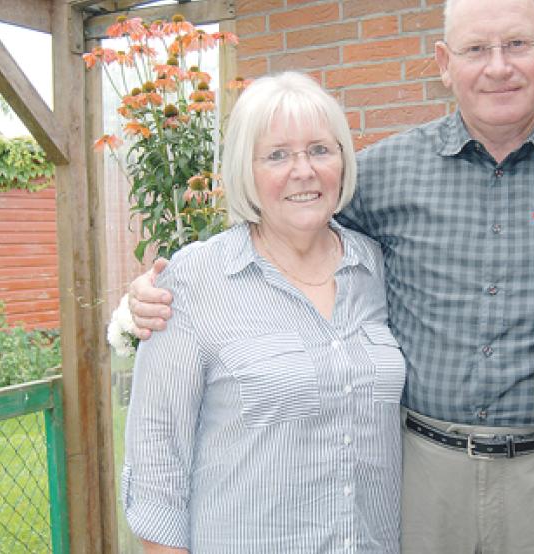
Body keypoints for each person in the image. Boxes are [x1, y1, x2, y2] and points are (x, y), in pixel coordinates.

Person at [128, 0, 534, 551]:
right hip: (424, 479)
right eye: (475, 49)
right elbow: (283, 231)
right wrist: (141, 301)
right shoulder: (384, 174)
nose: (498, 66)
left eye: (517, 44)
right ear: (444, 62)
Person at [122, 71, 405, 553]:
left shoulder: (375, 266)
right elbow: (156, 461)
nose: (304, 170)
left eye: (320, 149)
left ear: (343, 159)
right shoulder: (195, 281)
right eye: (277, 155)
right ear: (245, 171)